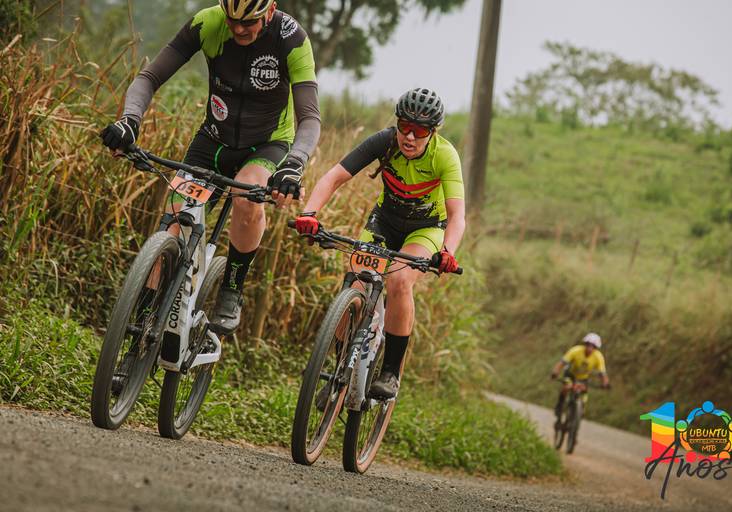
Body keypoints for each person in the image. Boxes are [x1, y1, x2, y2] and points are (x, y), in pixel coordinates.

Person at [100, 0, 320, 335]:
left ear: (270, 10)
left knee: (246, 197)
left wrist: (293, 165)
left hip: (267, 144)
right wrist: (130, 121)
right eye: (232, 20)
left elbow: (310, 118)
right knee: (174, 224)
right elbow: (150, 77)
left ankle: (231, 288)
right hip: (213, 141)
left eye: (249, 22)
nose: (239, 28)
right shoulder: (207, 23)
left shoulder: (291, 38)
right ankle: (141, 318)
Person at [294, 88, 466, 399]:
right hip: (384, 222)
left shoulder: (444, 155)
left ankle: (390, 372)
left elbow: (457, 216)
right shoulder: (384, 141)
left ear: (432, 132)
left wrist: (448, 252)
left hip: (426, 229)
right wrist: (309, 214)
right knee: (356, 284)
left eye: (419, 131)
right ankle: (340, 371)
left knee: (399, 281)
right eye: (404, 126)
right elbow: (334, 176)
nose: (409, 136)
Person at [550, 332, 610, 418]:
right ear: (585, 344)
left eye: (593, 346)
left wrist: (605, 383)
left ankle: (580, 410)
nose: (590, 348)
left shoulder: (598, 357)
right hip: (570, 374)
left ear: (596, 348)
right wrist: (555, 372)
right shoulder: (575, 350)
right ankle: (560, 405)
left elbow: (602, 373)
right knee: (567, 387)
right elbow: (562, 363)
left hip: (583, 378)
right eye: (588, 345)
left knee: (584, 393)